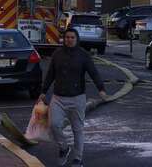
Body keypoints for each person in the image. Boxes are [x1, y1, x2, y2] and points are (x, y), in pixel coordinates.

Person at [39, 28, 108, 167]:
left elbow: (93, 72)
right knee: (54, 125)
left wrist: (101, 89)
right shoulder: (57, 54)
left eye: (72, 37)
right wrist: (43, 91)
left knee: (78, 129)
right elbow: (50, 74)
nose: (69, 40)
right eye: (67, 37)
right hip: (58, 98)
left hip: (77, 98)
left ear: (77, 40)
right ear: (64, 39)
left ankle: (78, 159)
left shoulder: (83, 55)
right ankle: (64, 147)